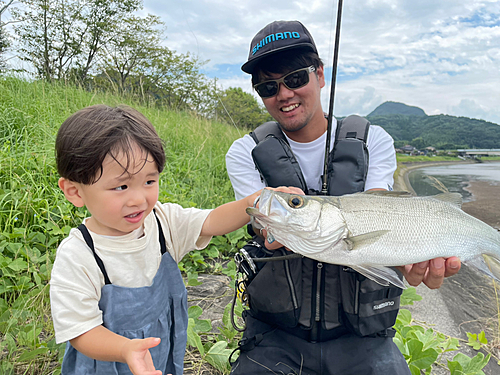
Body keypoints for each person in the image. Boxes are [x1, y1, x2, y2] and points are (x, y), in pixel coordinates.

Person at [225, 20, 462, 374]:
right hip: (274, 335)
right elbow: (262, 227)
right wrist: (271, 227)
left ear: (320, 75)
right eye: (268, 86)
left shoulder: (374, 140)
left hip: (364, 336)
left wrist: (409, 257)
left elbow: (380, 212)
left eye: (295, 78)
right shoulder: (245, 151)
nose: (284, 94)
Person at [50, 104, 295, 375]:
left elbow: (212, 220)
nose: (138, 199)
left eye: (149, 182)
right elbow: (81, 331)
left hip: (158, 358)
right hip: (107, 363)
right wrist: (126, 349)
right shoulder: (79, 254)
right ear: (74, 191)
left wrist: (253, 202)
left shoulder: (161, 222)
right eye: (121, 186)